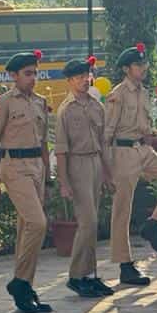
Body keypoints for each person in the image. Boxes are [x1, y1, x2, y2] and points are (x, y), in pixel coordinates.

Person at [104, 43, 157, 286]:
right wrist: (106, 168)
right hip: (123, 153)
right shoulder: (118, 95)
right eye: (138, 65)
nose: (143, 68)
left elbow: (142, 126)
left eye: (144, 64)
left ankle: (154, 224)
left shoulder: (143, 92)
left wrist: (155, 136)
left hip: (144, 149)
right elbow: (107, 133)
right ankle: (125, 265)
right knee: (122, 210)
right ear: (126, 69)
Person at [0, 50, 54, 313]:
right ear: (14, 76)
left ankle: (26, 288)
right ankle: (20, 282)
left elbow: (44, 143)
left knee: (27, 228)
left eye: (35, 73)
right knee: (38, 223)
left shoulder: (40, 102)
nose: (32, 78)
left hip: (36, 166)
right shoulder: (4, 103)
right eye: (27, 74)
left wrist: (48, 177)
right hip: (14, 165)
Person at [55, 56, 114, 297]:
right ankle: (76, 275)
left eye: (87, 76)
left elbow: (103, 142)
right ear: (70, 81)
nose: (84, 80)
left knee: (93, 222)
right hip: (77, 164)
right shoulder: (66, 110)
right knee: (87, 221)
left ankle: (90, 275)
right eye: (79, 77)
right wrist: (64, 182)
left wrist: (108, 172)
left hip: (95, 162)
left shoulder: (96, 106)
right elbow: (61, 149)